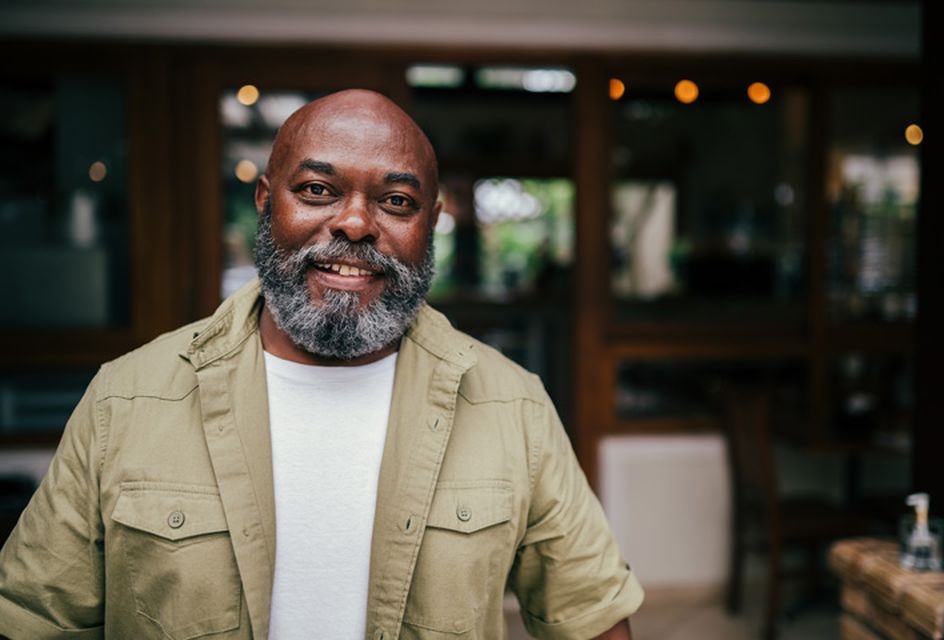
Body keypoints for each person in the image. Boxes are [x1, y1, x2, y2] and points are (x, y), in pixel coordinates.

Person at [0, 90, 643, 639]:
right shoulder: (127, 400)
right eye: (317, 190)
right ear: (264, 202)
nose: (356, 224)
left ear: (432, 222)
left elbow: (592, 619)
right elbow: (32, 618)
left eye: (396, 201)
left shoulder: (513, 407)